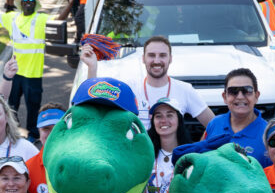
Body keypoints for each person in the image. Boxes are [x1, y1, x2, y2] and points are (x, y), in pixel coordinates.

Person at [79, 36, 213, 129]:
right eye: (151, 55)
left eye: (162, 55)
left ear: (170, 59)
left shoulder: (185, 89)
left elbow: (213, 125)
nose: (156, 60)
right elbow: (95, 105)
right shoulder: (129, 88)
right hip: (137, 163)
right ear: (143, 58)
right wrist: (92, 67)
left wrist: (199, 149)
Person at [0, 0, 48, 140]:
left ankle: (33, 134)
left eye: (31, 1)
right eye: (25, 1)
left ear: (35, 4)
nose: (28, 3)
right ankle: (12, 130)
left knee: (33, 106)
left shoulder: (41, 19)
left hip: (33, 73)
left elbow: (59, 20)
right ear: (21, 4)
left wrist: (71, 3)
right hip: (15, 72)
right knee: (11, 104)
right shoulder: (12, 17)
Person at [175, 68, 268, 164]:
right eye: (233, 91)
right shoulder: (215, 123)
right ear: (225, 97)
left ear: (256, 96)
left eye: (247, 90)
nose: (240, 96)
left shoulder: (267, 133)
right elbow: (199, 160)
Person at [24, 103, 65, 193]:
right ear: (39, 131)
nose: (51, 134)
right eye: (46, 129)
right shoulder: (28, 169)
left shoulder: (81, 164)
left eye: (56, 128)